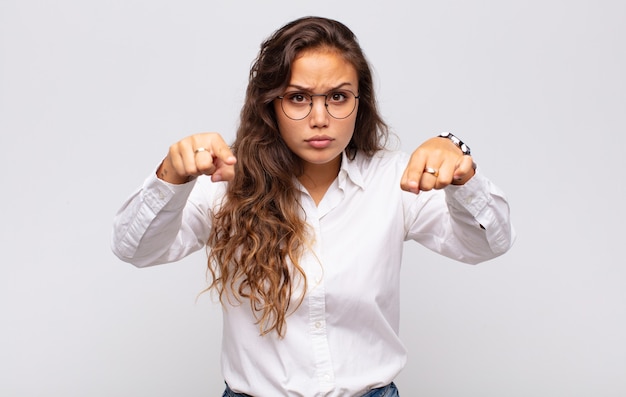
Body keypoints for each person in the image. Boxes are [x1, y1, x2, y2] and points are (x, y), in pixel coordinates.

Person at [111, 16, 515, 397]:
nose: (319, 118)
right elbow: (136, 249)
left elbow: (487, 244)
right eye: (298, 98)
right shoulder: (225, 180)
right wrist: (170, 176)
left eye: (338, 97)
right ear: (270, 104)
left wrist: (462, 173)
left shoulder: (394, 179)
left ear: (360, 101)